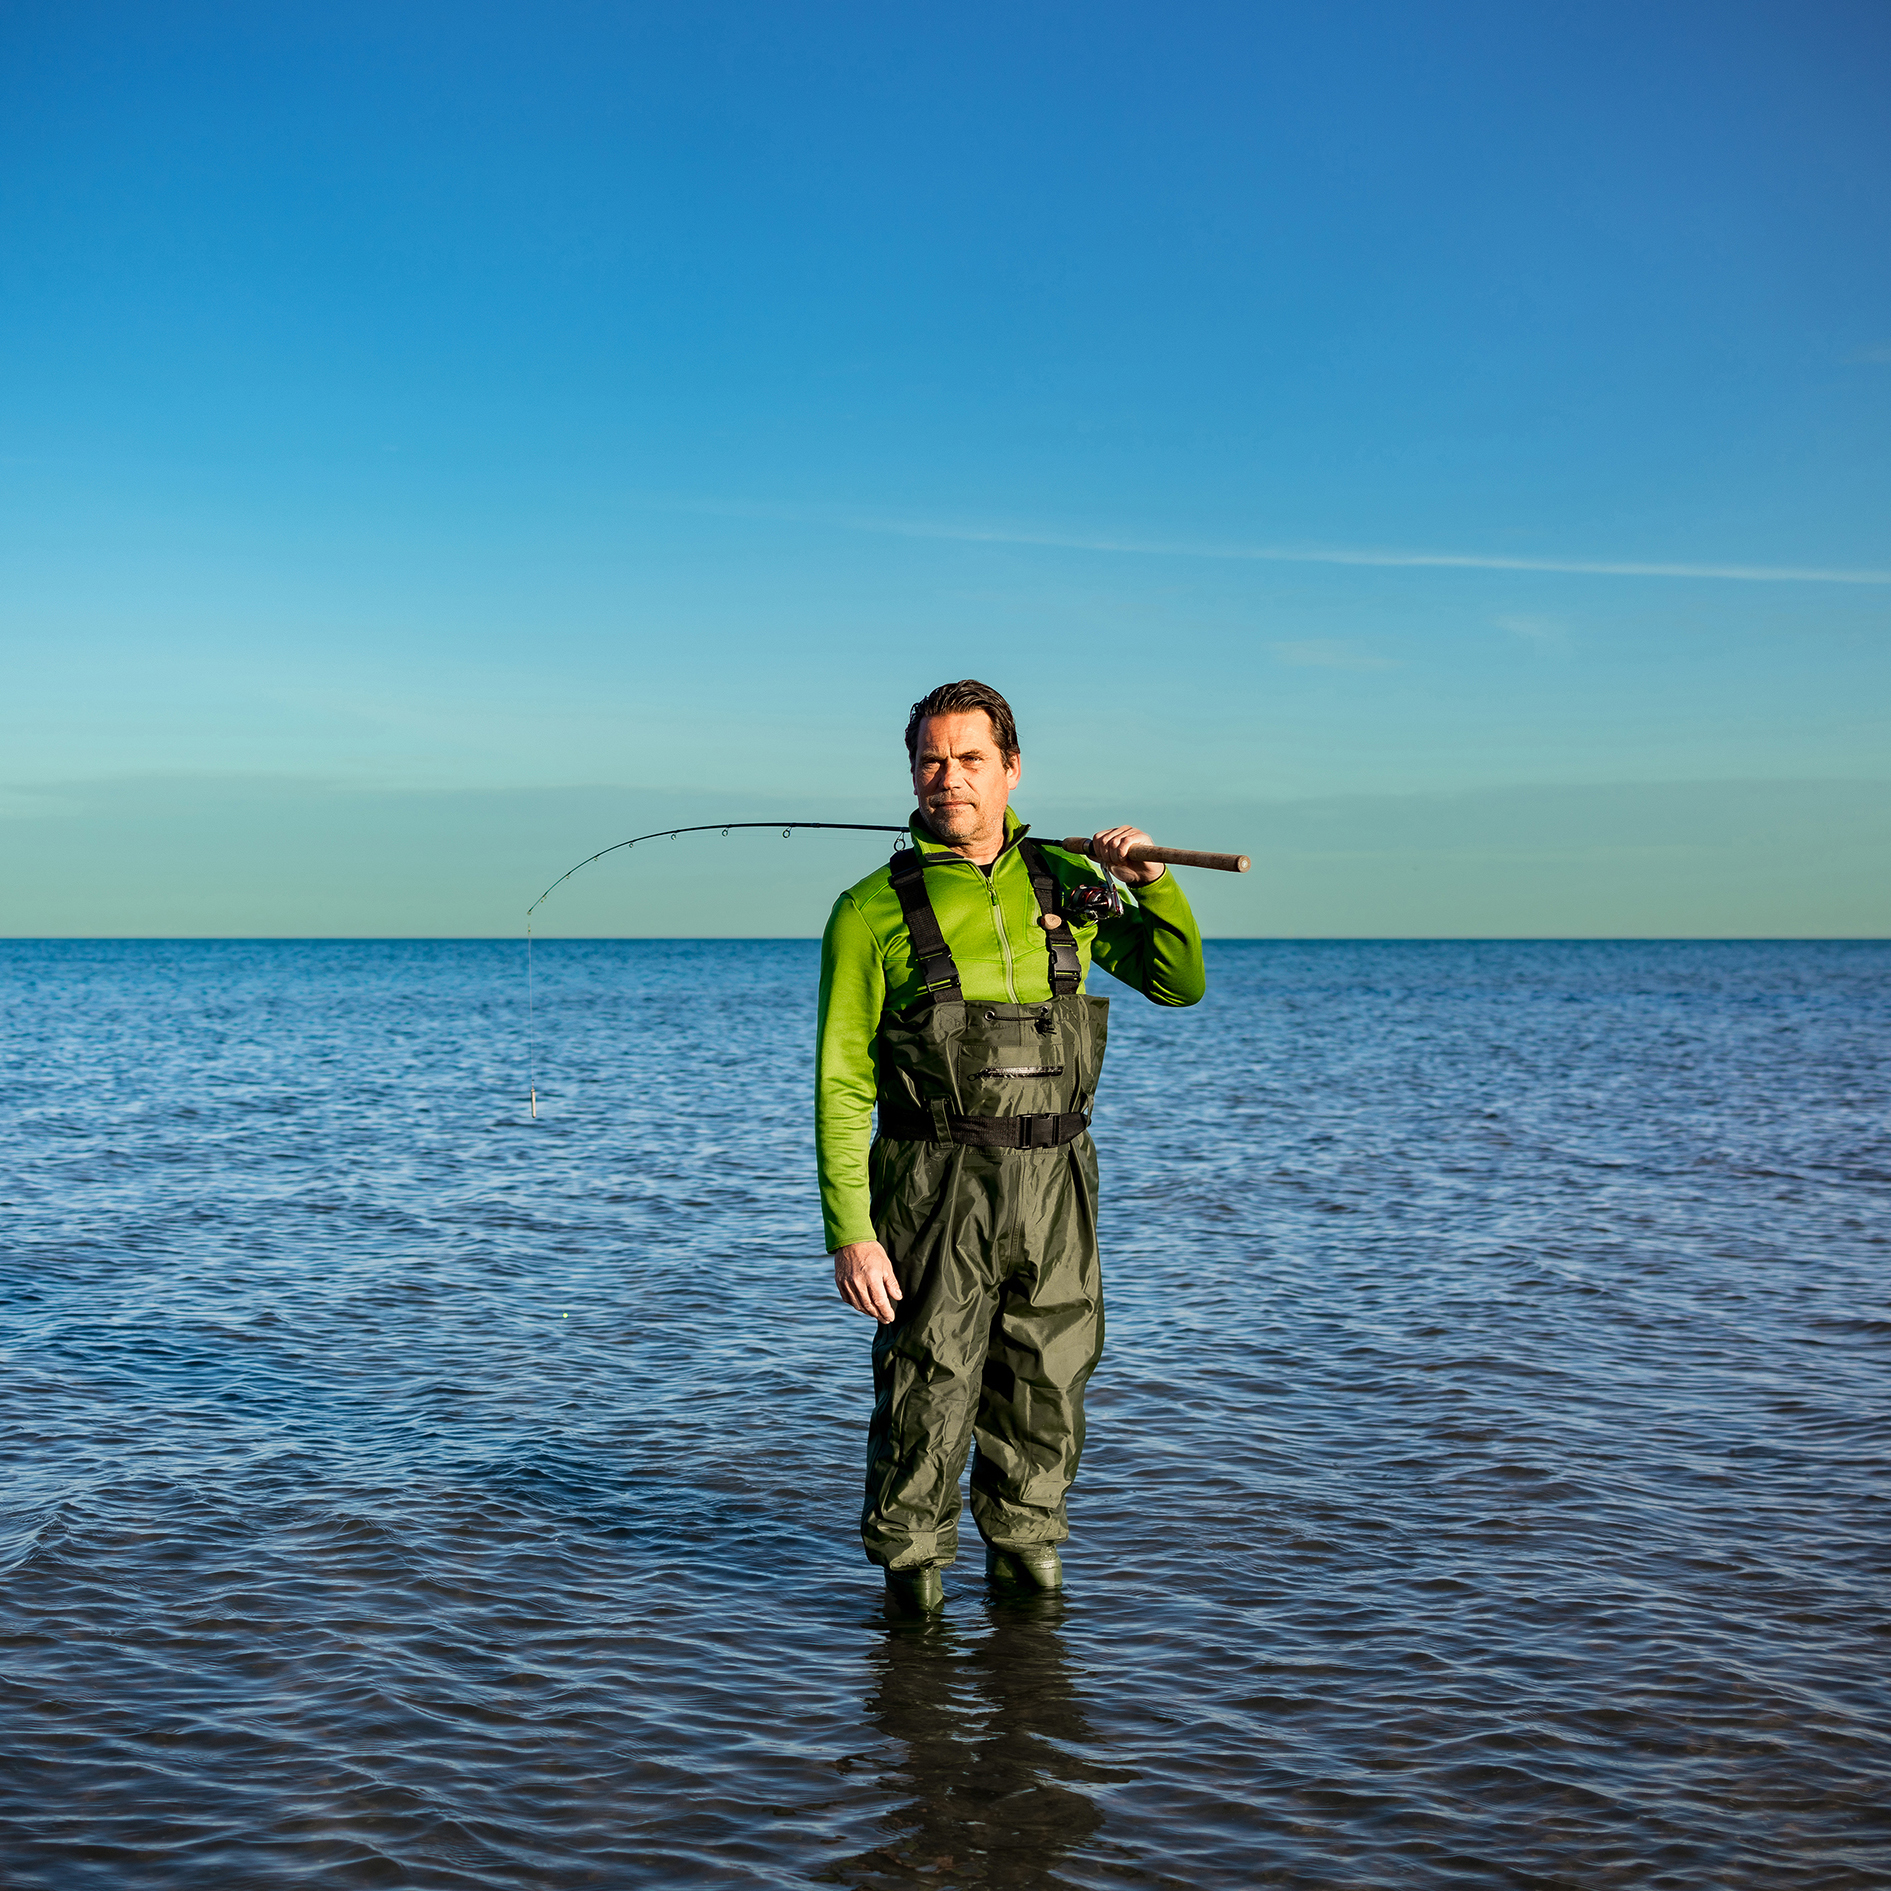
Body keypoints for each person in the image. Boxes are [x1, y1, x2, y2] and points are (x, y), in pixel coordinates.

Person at [816, 678, 1207, 1615]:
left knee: (1048, 1388)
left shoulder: (1071, 886)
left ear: (1011, 768)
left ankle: (1032, 1642)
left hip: (1059, 1181)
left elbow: (1178, 981)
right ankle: (908, 1652)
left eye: (969, 759)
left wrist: (1151, 884)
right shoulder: (868, 909)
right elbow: (840, 1081)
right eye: (930, 760)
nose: (948, 778)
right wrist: (850, 1228)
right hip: (931, 1182)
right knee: (926, 1392)